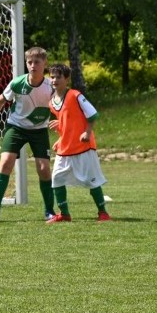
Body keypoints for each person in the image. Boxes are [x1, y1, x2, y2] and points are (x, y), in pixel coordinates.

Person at [0, 46, 56, 223]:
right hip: (16, 127)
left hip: (39, 130)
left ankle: (49, 211)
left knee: (44, 170)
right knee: (6, 162)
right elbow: (0, 101)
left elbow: (62, 106)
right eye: (29, 62)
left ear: (44, 63)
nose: (32, 66)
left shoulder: (51, 86)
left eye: (36, 62)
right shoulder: (17, 83)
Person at [46, 64, 112, 223]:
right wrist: (61, 136)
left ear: (66, 79)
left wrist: (87, 133)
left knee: (92, 180)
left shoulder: (75, 95)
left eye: (58, 77)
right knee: (56, 179)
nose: (54, 80)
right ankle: (64, 214)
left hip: (83, 147)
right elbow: (69, 124)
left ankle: (103, 213)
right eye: (52, 77)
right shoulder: (52, 102)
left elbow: (93, 114)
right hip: (65, 149)